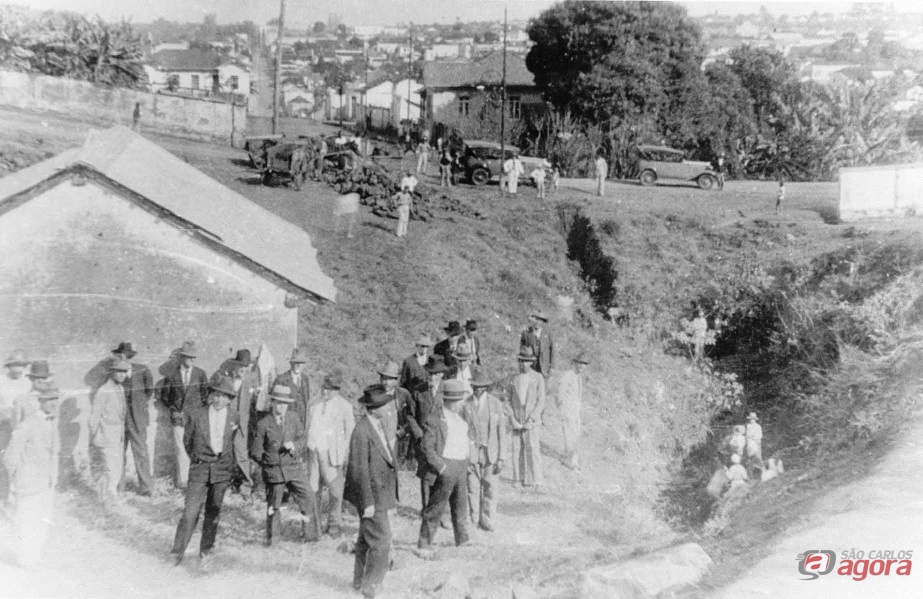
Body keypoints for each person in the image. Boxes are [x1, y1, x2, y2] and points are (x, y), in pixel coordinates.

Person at [170, 376, 250, 565]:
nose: (219, 400)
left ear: (230, 399)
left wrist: (226, 464)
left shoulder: (234, 416)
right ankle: (177, 552)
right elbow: (188, 442)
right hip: (200, 468)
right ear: (211, 394)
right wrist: (200, 459)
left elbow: (234, 443)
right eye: (217, 394)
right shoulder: (197, 414)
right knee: (190, 512)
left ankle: (206, 549)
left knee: (213, 511)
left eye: (224, 396)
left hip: (222, 469)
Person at [344, 386, 399, 599]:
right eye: (384, 404)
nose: (387, 407)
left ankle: (360, 582)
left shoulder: (377, 425)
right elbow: (359, 470)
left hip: (380, 495)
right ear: (374, 408)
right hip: (372, 498)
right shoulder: (361, 430)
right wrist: (367, 503)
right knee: (382, 542)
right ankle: (371, 586)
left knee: (366, 542)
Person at [251, 385, 321, 545]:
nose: (282, 407)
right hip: (274, 470)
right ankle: (273, 539)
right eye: (279, 403)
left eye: (285, 403)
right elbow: (256, 452)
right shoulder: (263, 423)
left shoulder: (293, 418)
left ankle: (311, 536)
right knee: (274, 504)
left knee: (308, 496)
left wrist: (295, 446)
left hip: (293, 468)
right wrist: (269, 462)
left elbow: (302, 439)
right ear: (272, 403)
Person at [3, 385, 59, 567]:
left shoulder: (53, 423)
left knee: (42, 519)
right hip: (28, 482)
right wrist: (13, 480)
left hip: (47, 481)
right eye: (49, 400)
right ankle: (25, 558)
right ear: (40, 402)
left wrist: (53, 478)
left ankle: (34, 555)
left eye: (55, 400)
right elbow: (11, 455)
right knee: (27, 519)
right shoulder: (28, 423)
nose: (53, 404)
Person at [417, 379, 472, 551]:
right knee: (435, 508)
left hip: (461, 465)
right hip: (445, 466)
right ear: (446, 400)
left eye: (460, 400)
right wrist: (441, 467)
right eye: (455, 401)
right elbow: (426, 447)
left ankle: (462, 540)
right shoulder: (434, 419)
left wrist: (467, 460)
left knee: (460, 505)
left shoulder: (463, 415)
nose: (459, 404)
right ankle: (424, 544)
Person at [306, 370, 355, 537]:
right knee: (313, 490)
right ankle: (313, 526)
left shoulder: (345, 407)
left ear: (337, 390)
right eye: (324, 388)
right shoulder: (313, 404)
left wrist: (344, 455)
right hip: (313, 452)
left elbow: (350, 434)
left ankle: (334, 524)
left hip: (332, 455)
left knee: (335, 492)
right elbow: (308, 427)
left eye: (329, 389)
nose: (325, 392)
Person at [162, 341, 209, 489]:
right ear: (182, 357)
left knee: (195, 447)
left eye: (194, 357)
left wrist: (198, 413)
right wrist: (174, 410)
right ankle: (183, 482)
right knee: (181, 448)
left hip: (194, 418)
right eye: (189, 357)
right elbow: (165, 396)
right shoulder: (172, 375)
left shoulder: (200, 374)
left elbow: (205, 396)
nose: (192, 360)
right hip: (179, 418)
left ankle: (196, 480)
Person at [213, 349, 258, 495]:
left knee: (241, 454)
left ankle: (246, 487)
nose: (243, 370)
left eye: (245, 367)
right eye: (240, 367)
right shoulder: (226, 380)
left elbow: (255, 403)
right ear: (234, 366)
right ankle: (223, 484)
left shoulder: (251, 381)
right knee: (224, 452)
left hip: (243, 424)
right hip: (227, 421)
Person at [465, 371, 505, 531]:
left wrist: (501, 457)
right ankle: (474, 518)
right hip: (472, 452)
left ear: (486, 387)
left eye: (482, 387)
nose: (479, 390)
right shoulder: (466, 404)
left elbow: (501, 431)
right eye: (475, 387)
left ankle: (488, 519)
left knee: (490, 486)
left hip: (491, 453)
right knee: (472, 486)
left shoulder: (495, 403)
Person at [114, 342, 155, 497]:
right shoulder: (116, 371)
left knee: (141, 452)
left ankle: (146, 487)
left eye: (125, 354)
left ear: (130, 356)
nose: (122, 357)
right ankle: (119, 487)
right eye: (119, 354)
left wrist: (138, 406)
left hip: (137, 419)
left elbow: (149, 391)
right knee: (119, 452)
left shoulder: (142, 370)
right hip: (120, 419)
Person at [406, 355, 446, 512]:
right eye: (431, 373)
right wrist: (419, 435)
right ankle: (426, 509)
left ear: (442, 374)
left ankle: (442, 511)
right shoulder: (419, 391)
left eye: (437, 374)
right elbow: (410, 415)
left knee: (442, 472)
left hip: (442, 438)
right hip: (423, 439)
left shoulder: (448, 391)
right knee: (425, 475)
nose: (433, 377)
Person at [88, 358, 129, 506]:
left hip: (118, 435)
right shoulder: (104, 390)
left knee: (116, 467)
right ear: (111, 372)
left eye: (124, 372)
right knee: (110, 468)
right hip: (106, 434)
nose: (121, 375)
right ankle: (108, 497)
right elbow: (94, 417)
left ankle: (107, 495)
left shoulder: (121, 389)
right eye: (118, 371)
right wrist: (97, 435)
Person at [508, 347, 545, 488]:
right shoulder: (513, 378)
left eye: (527, 362)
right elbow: (507, 399)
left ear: (531, 362)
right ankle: (518, 478)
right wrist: (512, 418)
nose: (523, 364)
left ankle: (535, 479)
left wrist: (532, 419)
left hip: (531, 419)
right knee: (517, 449)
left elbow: (541, 401)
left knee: (533, 448)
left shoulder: (538, 378)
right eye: (521, 361)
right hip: (517, 418)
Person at [0, 349, 31, 502]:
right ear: (9, 366)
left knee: (20, 458)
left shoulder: (27, 383)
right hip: (4, 425)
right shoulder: (1, 381)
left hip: (22, 426)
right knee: (5, 458)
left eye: (21, 366)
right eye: (15, 365)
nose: (18, 369)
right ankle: (4, 494)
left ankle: (17, 492)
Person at [557, 352, 589, 471]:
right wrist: (562, 410)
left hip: (575, 411)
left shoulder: (579, 377)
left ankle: (572, 459)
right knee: (569, 435)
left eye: (584, 364)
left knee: (576, 436)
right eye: (580, 363)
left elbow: (578, 397)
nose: (581, 366)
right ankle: (569, 460)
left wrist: (579, 411)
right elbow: (560, 394)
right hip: (568, 410)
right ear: (574, 363)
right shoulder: (568, 375)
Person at [377, 362, 411, 469]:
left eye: (390, 379)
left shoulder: (403, 394)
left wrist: (404, 429)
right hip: (379, 435)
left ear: (396, 380)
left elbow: (411, 416)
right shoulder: (376, 394)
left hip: (395, 437)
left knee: (393, 466)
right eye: (384, 378)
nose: (386, 382)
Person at [273, 348, 312, 436]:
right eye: (295, 363)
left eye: (300, 363)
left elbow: (307, 401)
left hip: (301, 421)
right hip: (286, 421)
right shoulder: (281, 379)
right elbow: (274, 403)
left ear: (304, 365)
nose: (298, 366)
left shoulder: (305, 379)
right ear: (291, 363)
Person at [520, 311, 554, 380]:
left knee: (543, 388)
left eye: (540, 320)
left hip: (544, 368)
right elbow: (522, 351)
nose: (537, 322)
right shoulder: (526, 333)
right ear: (532, 320)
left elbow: (552, 350)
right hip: (531, 367)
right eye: (536, 319)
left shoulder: (548, 333)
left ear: (542, 322)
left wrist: (551, 367)